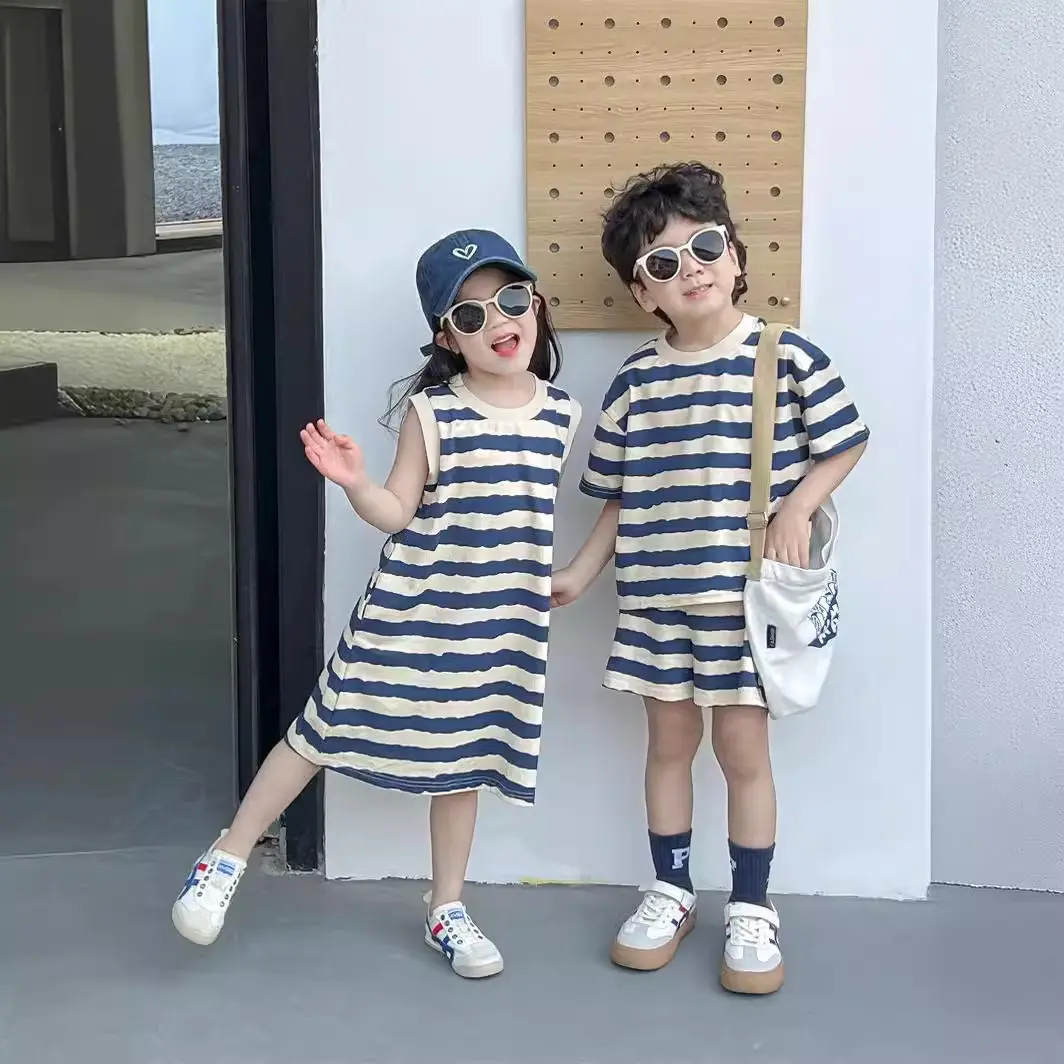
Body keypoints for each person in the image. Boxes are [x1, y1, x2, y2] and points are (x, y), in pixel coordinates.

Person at [172, 229, 581, 979]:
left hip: (498, 626)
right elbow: (397, 511)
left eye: (511, 299)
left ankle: (446, 906)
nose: (498, 321)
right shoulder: (435, 412)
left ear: (538, 304)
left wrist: (562, 573)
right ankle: (227, 856)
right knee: (318, 731)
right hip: (408, 612)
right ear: (448, 339)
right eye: (470, 314)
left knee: (465, 761)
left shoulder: (562, 413)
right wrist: (357, 482)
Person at [551, 163, 868, 994]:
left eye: (704, 247)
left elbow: (846, 441)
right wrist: (579, 573)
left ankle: (753, 904)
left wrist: (797, 508)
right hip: (655, 601)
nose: (689, 269)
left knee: (742, 751)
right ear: (642, 292)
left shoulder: (784, 354)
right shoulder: (635, 381)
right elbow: (618, 498)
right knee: (667, 746)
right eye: (662, 262)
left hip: (742, 602)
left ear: (735, 255)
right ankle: (671, 889)